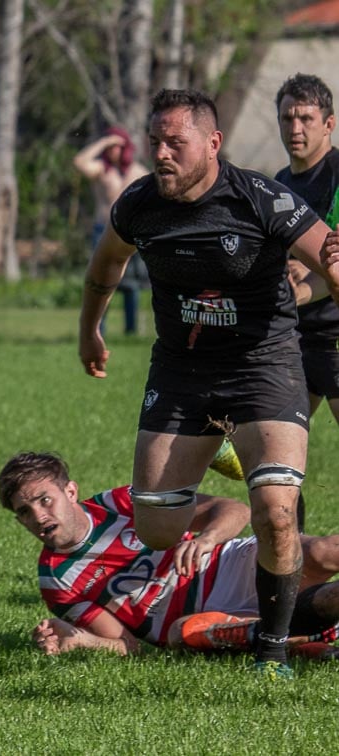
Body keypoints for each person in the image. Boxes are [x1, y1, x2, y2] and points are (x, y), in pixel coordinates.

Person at [78, 88, 339, 679]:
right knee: (157, 527)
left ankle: (272, 651)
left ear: (212, 144)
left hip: (264, 368)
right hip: (181, 374)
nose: (162, 154)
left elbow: (326, 255)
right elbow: (106, 265)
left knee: (276, 511)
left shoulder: (261, 198)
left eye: (176, 143)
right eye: (155, 143)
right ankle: (224, 465)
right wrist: (88, 332)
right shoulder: (140, 203)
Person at [0, 452, 339, 658]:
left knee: (324, 552)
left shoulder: (120, 503)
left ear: (71, 491)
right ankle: (307, 638)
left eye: (44, 500)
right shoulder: (56, 580)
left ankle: (308, 639)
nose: (39, 516)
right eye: (25, 511)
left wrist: (207, 539)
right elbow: (128, 646)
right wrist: (82, 640)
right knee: (183, 633)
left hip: (230, 563)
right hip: (209, 616)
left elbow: (231, 509)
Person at [275, 74, 339, 434]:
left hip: (335, 333)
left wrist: (298, 289)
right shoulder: (278, 184)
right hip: (294, 336)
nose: (294, 128)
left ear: (329, 124)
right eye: (287, 118)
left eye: (305, 119)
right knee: (269, 446)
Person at [73, 127, 150, 335]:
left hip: (129, 232)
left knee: (131, 284)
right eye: (110, 147)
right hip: (103, 229)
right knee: (100, 279)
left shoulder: (138, 171)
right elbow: (79, 162)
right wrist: (104, 142)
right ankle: (99, 329)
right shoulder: (101, 169)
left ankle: (131, 331)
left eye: (117, 146)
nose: (113, 150)